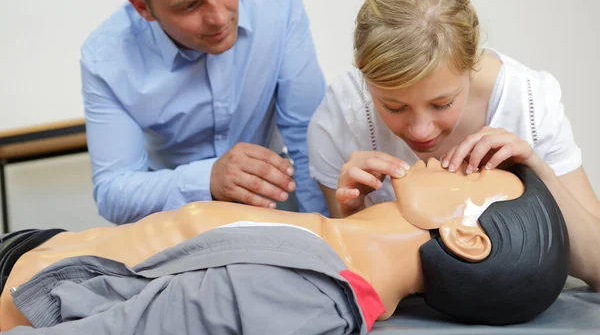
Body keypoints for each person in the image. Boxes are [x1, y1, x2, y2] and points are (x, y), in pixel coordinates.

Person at [0, 160, 569, 332]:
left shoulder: (306, 294)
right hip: (39, 249)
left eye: (470, 179)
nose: (449, 161)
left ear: (466, 237)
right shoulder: (330, 242)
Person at [307, 0, 600, 291]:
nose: (421, 130)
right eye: (393, 106)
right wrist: (351, 212)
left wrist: (539, 172)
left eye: (442, 103)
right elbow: (350, 274)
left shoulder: (530, 103)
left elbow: (597, 266)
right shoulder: (342, 118)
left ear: (472, 66)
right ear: (366, 79)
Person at [79, 0, 328, 225]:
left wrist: (327, 234)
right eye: (190, 6)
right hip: (178, 220)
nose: (219, 18)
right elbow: (113, 191)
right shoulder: (106, 59)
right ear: (143, 7)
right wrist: (208, 178)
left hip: (274, 200)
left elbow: (307, 136)